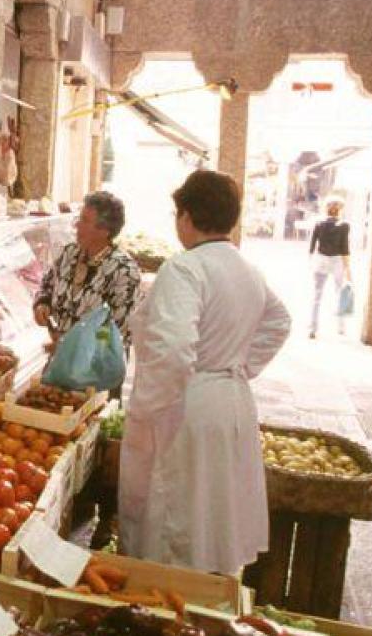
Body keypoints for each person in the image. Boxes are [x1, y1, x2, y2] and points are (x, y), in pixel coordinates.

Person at [119, 170, 292, 574]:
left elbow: (175, 349)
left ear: (187, 216)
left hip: (190, 406)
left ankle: (177, 602)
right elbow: (278, 321)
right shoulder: (246, 268)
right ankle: (211, 596)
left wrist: (146, 408)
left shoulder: (184, 268)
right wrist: (237, 366)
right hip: (229, 401)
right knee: (215, 513)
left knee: (178, 520)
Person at [33, 190, 141, 346]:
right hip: (61, 360)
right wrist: (42, 304)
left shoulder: (124, 271)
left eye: (84, 220)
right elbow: (47, 286)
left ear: (104, 231)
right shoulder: (68, 253)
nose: (77, 224)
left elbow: (117, 330)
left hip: (96, 368)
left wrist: (71, 347)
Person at [307, 198, 351, 338]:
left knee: (317, 294)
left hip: (321, 259)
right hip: (337, 260)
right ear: (340, 210)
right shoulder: (344, 226)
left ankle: (313, 328)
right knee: (341, 292)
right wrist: (348, 267)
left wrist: (311, 261)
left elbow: (312, 246)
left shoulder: (319, 224)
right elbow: (344, 248)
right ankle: (341, 327)